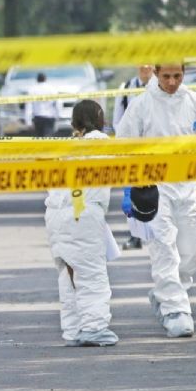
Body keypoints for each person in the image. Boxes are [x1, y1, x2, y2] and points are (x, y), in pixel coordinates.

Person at [116, 63, 196, 338]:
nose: (172, 82)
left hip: (187, 187)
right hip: (155, 187)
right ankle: (176, 310)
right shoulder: (141, 105)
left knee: (191, 254)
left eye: (178, 76)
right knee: (164, 249)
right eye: (166, 76)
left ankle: (167, 295)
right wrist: (129, 187)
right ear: (155, 74)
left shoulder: (195, 102)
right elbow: (124, 146)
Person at [45, 100, 120, 347]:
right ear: (99, 117)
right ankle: (94, 327)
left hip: (56, 216)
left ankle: (73, 329)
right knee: (92, 274)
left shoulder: (63, 148)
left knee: (69, 276)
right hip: (83, 214)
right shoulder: (100, 141)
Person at [113, 65, 153, 250]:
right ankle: (135, 236)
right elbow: (117, 120)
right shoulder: (127, 87)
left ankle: (155, 233)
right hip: (132, 149)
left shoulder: (159, 88)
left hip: (155, 149)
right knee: (132, 194)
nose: (146, 67)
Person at [29, 72, 60, 137]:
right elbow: (57, 104)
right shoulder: (52, 89)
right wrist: (57, 116)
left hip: (37, 117)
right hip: (50, 116)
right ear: (45, 79)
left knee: (39, 138)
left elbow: (29, 106)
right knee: (48, 137)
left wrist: (28, 121)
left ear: (37, 80)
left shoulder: (32, 90)